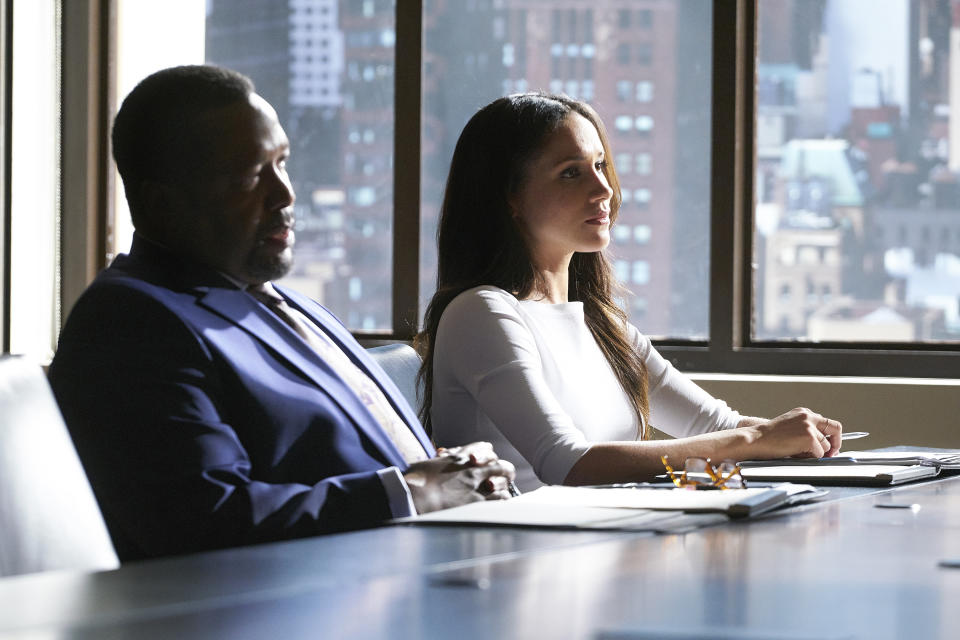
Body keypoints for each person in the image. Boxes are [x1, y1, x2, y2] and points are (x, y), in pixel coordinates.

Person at [48, 64, 515, 562]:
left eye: (283, 163)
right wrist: (414, 494)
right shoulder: (129, 323)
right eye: (252, 175)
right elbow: (206, 521)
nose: (285, 194)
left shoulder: (293, 305)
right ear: (161, 203)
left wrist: (454, 473)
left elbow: (379, 466)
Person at [417, 93, 843, 491]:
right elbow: (568, 464)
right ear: (509, 197)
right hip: (523, 557)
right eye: (571, 173)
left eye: (600, 166)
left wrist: (794, 438)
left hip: (611, 541)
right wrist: (757, 439)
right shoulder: (481, 313)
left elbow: (715, 426)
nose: (603, 190)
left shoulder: (602, 323)